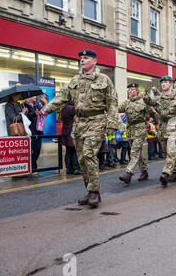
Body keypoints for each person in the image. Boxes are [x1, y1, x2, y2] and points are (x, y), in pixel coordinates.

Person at [41, 49, 119, 209]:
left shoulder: (104, 80)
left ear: (94, 61)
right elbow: (62, 97)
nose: (82, 60)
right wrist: (46, 109)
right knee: (82, 159)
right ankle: (89, 191)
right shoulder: (75, 80)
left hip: (96, 121)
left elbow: (112, 103)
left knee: (89, 155)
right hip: (79, 123)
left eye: (86, 58)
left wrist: (112, 124)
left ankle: (95, 193)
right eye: (81, 58)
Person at [141, 76, 176, 187]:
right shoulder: (159, 98)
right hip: (162, 127)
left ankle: (165, 173)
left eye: (166, 82)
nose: (163, 84)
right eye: (162, 82)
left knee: (172, 151)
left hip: (175, 126)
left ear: (171, 84)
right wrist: (145, 97)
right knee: (167, 152)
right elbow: (151, 102)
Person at [118, 83, 151, 185]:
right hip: (130, 130)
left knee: (134, 151)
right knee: (138, 153)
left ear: (137, 91)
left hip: (140, 129)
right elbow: (117, 109)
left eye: (133, 89)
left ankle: (128, 173)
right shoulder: (126, 103)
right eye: (129, 89)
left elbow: (150, 112)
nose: (131, 91)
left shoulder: (143, 102)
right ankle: (144, 171)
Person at [60, 101, 82, 175]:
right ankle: (76, 168)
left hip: (65, 131)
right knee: (75, 151)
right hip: (72, 131)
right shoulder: (73, 109)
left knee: (68, 151)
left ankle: (69, 169)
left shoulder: (63, 108)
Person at [24, 96, 44, 171]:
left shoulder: (37, 105)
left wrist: (42, 112)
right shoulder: (24, 105)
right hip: (30, 131)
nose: (35, 97)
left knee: (37, 150)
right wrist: (33, 114)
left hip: (39, 130)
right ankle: (32, 167)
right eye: (33, 96)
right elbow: (25, 118)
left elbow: (41, 114)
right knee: (30, 150)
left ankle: (33, 165)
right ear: (29, 97)